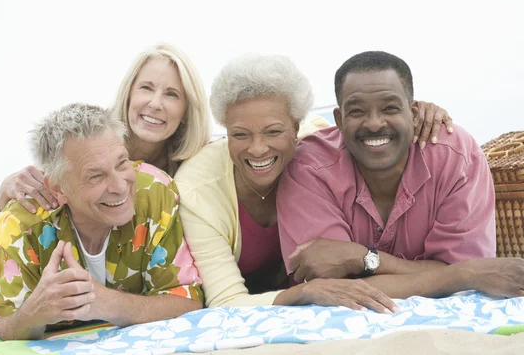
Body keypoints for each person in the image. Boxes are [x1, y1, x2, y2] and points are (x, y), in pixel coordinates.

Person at [175, 53, 453, 312]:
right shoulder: (197, 189)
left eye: (273, 131)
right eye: (240, 134)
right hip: (271, 306)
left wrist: (424, 112)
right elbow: (225, 301)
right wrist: (304, 293)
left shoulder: (315, 152)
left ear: (296, 127)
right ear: (225, 129)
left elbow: (366, 127)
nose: (258, 148)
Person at [277, 50, 524, 299]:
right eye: (357, 111)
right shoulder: (309, 167)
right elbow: (333, 289)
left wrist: (361, 258)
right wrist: (458, 276)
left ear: (414, 115)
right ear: (339, 120)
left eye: (390, 108)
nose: (374, 123)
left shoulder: (457, 157)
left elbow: (473, 282)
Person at [0, 103, 203, 340]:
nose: (120, 187)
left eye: (122, 163)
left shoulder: (155, 193)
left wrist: (104, 302)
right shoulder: (20, 224)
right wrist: (34, 313)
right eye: (96, 176)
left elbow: (188, 300)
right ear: (58, 189)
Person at [0, 43, 211, 251]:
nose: (155, 103)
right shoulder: (86, 142)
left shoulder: (199, 166)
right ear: (129, 93)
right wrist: (3, 197)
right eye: (146, 88)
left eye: (171, 94)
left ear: (186, 111)